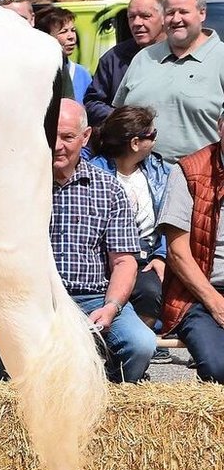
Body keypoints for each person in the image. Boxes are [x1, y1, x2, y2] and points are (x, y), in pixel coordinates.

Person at [50, 99, 156, 382]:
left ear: (85, 137)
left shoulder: (109, 189)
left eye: (67, 137)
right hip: (41, 298)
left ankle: (111, 397)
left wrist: (111, 307)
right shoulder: (24, 185)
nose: (57, 145)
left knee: (140, 343)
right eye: (51, 135)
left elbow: (124, 261)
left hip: (93, 297)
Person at [114, 0, 224, 163]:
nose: (176, 19)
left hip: (200, 176)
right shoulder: (144, 57)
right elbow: (120, 117)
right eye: (170, 12)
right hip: (140, 174)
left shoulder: (221, 58)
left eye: (183, 12)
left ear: (202, 13)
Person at [85, 106, 169, 329]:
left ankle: (141, 337)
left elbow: (168, 220)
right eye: (152, 134)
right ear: (135, 143)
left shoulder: (160, 171)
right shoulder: (94, 175)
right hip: (107, 257)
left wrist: (161, 256)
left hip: (146, 256)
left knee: (150, 291)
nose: (155, 139)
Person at [157, 111, 224, 381]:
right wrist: (215, 303)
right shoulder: (188, 171)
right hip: (199, 296)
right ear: (220, 127)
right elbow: (177, 253)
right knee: (219, 368)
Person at [83, 0, 165, 125]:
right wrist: (124, 119)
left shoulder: (180, 56)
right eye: (131, 17)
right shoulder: (114, 59)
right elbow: (92, 104)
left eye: (145, 16)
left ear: (164, 17)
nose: (137, 23)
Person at [36, 7, 91, 102]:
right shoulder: (35, 72)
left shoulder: (82, 74)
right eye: (64, 31)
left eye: (73, 30)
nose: (71, 37)